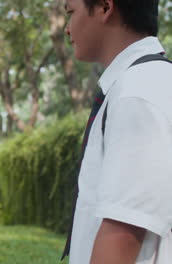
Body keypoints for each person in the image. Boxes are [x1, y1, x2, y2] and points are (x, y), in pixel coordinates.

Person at [62, 0, 172, 263]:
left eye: (70, 12)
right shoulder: (144, 81)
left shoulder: (137, 90)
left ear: (104, 7)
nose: (67, 29)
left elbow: (122, 232)